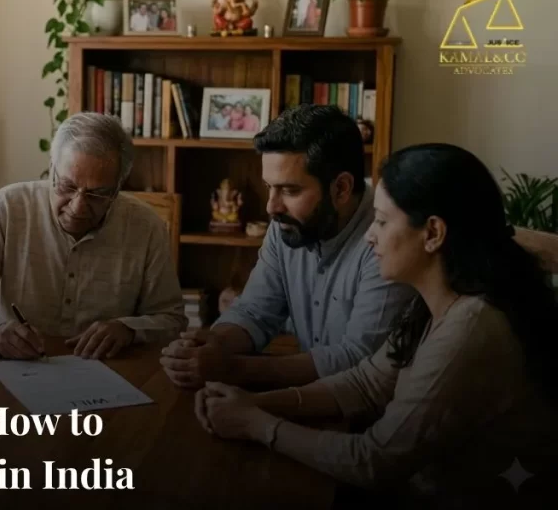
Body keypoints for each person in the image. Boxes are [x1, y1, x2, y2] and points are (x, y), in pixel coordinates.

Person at [196, 143, 558, 504]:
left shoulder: (472, 326)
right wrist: (257, 403)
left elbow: (374, 460)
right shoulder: (433, 301)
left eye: (382, 221)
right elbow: (367, 381)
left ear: (433, 233)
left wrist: (256, 425)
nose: (370, 236)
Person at [160, 105, 414, 389]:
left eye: (290, 190)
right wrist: (212, 345)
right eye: (270, 186)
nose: (272, 206)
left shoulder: (385, 239)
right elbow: (255, 311)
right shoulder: (289, 224)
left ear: (341, 188)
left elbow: (357, 359)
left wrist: (232, 368)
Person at [0, 112, 186, 360]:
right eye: (67, 186)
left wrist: (130, 330)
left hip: (109, 371)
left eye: (97, 194)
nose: (77, 207)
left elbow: (171, 318)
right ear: (51, 168)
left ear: (118, 187)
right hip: (18, 367)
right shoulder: (9, 207)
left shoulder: (145, 226)